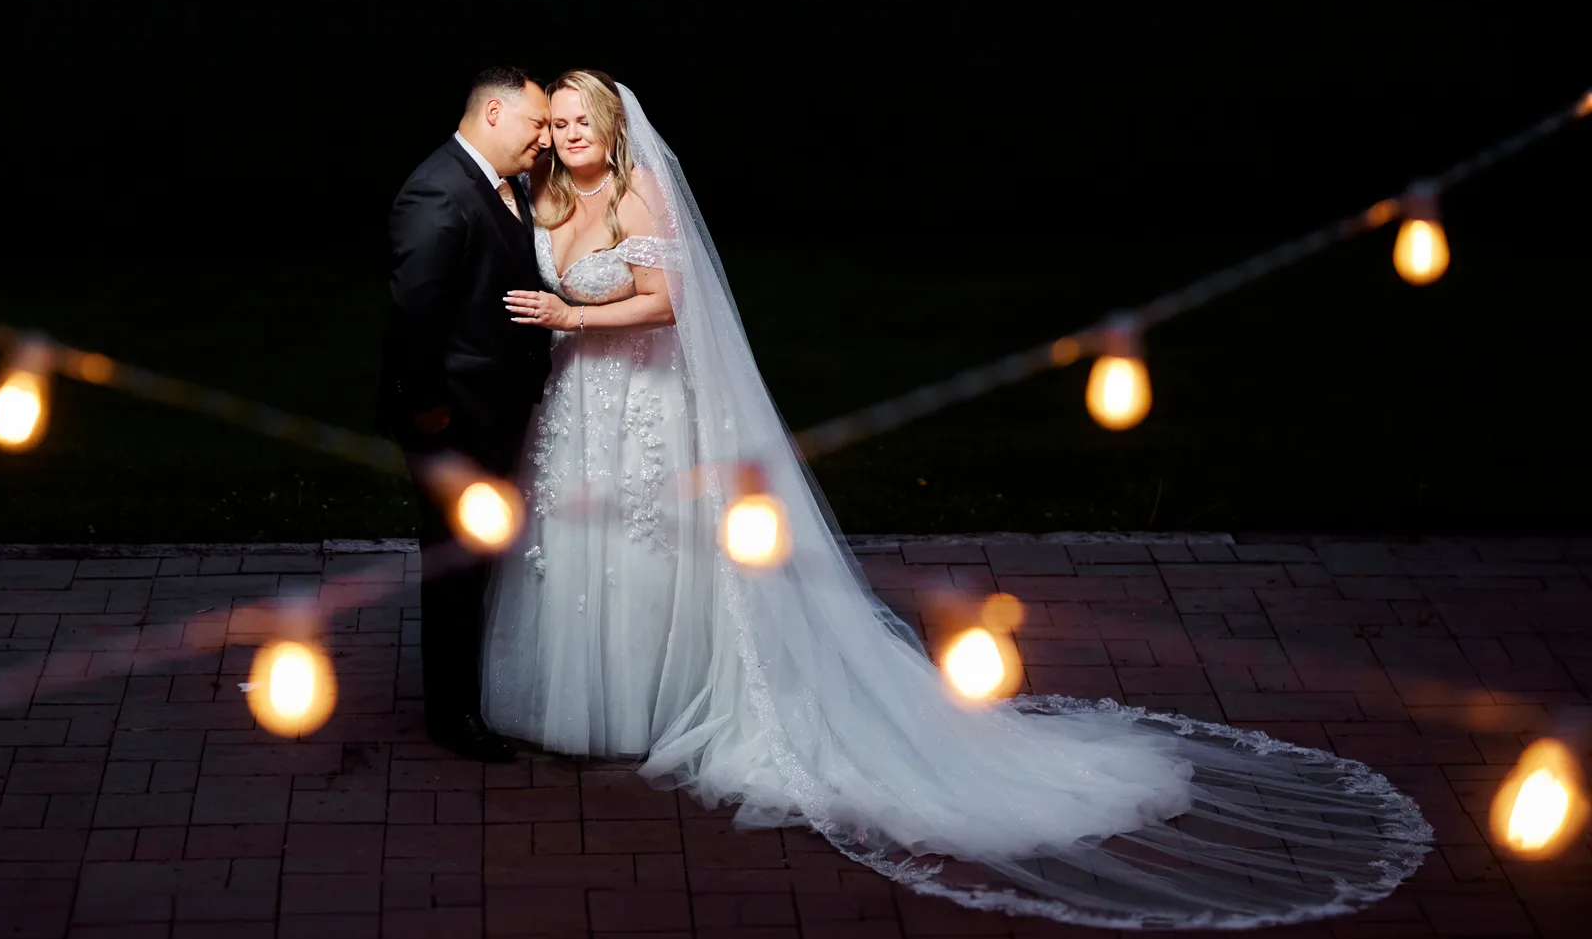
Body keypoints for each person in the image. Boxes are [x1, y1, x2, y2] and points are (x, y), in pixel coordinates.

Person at [484, 71, 1432, 929]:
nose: (568, 134)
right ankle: (593, 705)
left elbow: (667, 300)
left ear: (611, 122)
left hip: (644, 403)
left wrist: (574, 313)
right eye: (557, 123)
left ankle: (665, 700)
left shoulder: (641, 189)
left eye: (581, 119)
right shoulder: (552, 194)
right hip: (579, 405)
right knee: (579, 554)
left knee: (656, 551)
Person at [379, 66, 554, 763]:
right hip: (451, 421)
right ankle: (453, 717)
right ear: (491, 113)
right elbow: (414, 319)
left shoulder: (500, 184)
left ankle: (469, 694)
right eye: (535, 123)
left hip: (492, 412)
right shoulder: (436, 191)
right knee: (454, 565)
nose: (545, 138)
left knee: (477, 561)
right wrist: (428, 414)